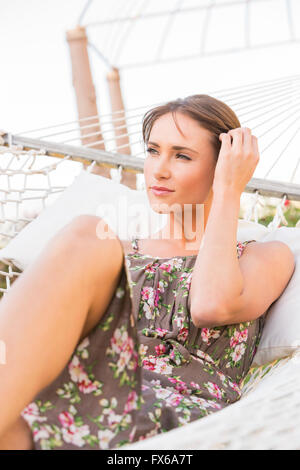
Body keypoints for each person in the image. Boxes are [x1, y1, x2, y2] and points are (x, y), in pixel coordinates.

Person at [0, 95, 295, 450]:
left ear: (223, 166)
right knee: (86, 231)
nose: (159, 169)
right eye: (153, 151)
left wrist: (230, 191)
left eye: (181, 155)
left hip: (165, 412)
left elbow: (210, 305)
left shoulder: (263, 256)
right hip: (67, 387)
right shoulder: (110, 250)